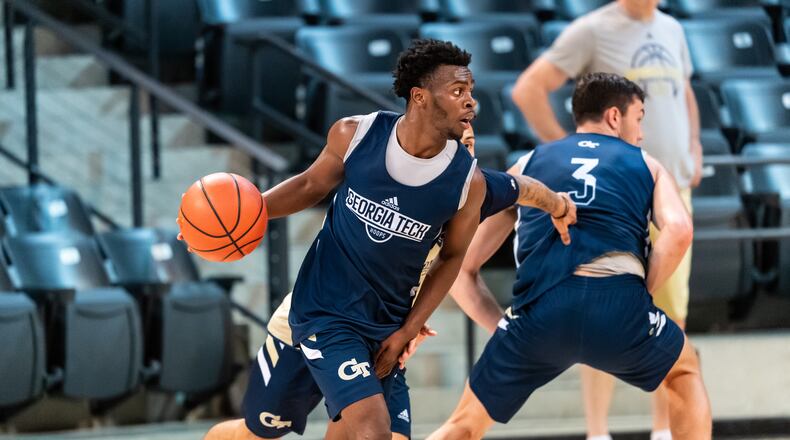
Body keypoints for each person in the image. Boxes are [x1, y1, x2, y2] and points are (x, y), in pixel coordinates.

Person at [201, 39, 574, 440]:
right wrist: (248, 211)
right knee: (260, 432)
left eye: (471, 94)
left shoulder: (470, 183)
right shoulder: (357, 135)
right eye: (458, 92)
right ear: (420, 98)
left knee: (377, 434)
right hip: (321, 314)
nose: (471, 105)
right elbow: (310, 184)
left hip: (382, 331)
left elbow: (519, 192)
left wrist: (559, 206)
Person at [427, 73, 711, 440]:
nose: (640, 133)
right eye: (639, 118)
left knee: (465, 423)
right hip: (619, 304)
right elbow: (680, 231)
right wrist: (640, 295)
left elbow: (462, 268)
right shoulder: (646, 163)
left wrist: (502, 330)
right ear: (614, 117)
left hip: (540, 312)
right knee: (685, 372)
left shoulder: (526, 164)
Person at [511, 1, 703, 438]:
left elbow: (684, 90)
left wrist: (694, 141)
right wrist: (567, 159)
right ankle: (597, 432)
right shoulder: (593, 30)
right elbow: (529, 89)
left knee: (671, 319)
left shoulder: (672, 27)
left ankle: (663, 431)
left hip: (671, 192)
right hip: (615, 197)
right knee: (599, 312)